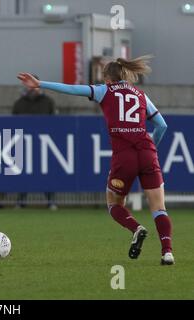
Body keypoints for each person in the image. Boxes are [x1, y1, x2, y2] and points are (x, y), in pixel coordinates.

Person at [17, 55, 174, 265]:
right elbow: (162, 126)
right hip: (147, 153)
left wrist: (39, 84)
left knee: (114, 203)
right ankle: (167, 252)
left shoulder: (104, 91)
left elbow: (72, 89)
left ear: (107, 79)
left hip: (124, 157)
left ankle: (136, 228)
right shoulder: (141, 95)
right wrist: (152, 146)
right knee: (159, 207)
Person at [13, 74, 57, 210]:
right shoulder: (19, 103)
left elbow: (56, 122)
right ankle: (21, 202)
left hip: (44, 145)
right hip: (24, 145)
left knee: (46, 173)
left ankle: (51, 201)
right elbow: (12, 123)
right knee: (23, 175)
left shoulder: (48, 102)